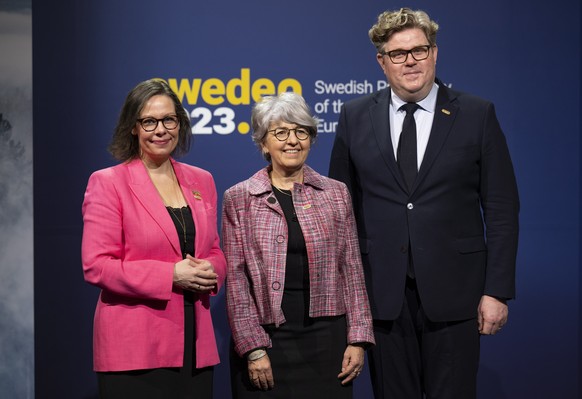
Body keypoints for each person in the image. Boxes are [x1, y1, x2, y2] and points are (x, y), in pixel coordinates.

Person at [329, 8, 519, 399]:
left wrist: (497, 290)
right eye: (398, 53)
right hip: (382, 296)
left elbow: (501, 207)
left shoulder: (477, 114)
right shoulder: (354, 116)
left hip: (457, 295)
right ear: (381, 61)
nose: (410, 60)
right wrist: (349, 297)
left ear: (435, 53)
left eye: (420, 49)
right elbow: (340, 212)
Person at [222, 92, 375, 398]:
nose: (292, 140)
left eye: (301, 131)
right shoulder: (239, 199)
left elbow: (352, 269)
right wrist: (252, 348)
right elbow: (237, 282)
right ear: (264, 143)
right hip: (267, 338)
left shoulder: (336, 193)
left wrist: (358, 338)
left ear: (311, 139)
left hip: (328, 341)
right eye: (280, 132)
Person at [81, 79, 226, 398]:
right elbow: (97, 266)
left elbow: (213, 249)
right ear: (133, 127)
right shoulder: (108, 183)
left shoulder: (203, 180)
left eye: (169, 120)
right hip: (134, 351)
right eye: (149, 121)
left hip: (195, 347)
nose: (161, 129)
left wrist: (210, 269)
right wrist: (171, 275)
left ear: (180, 123)